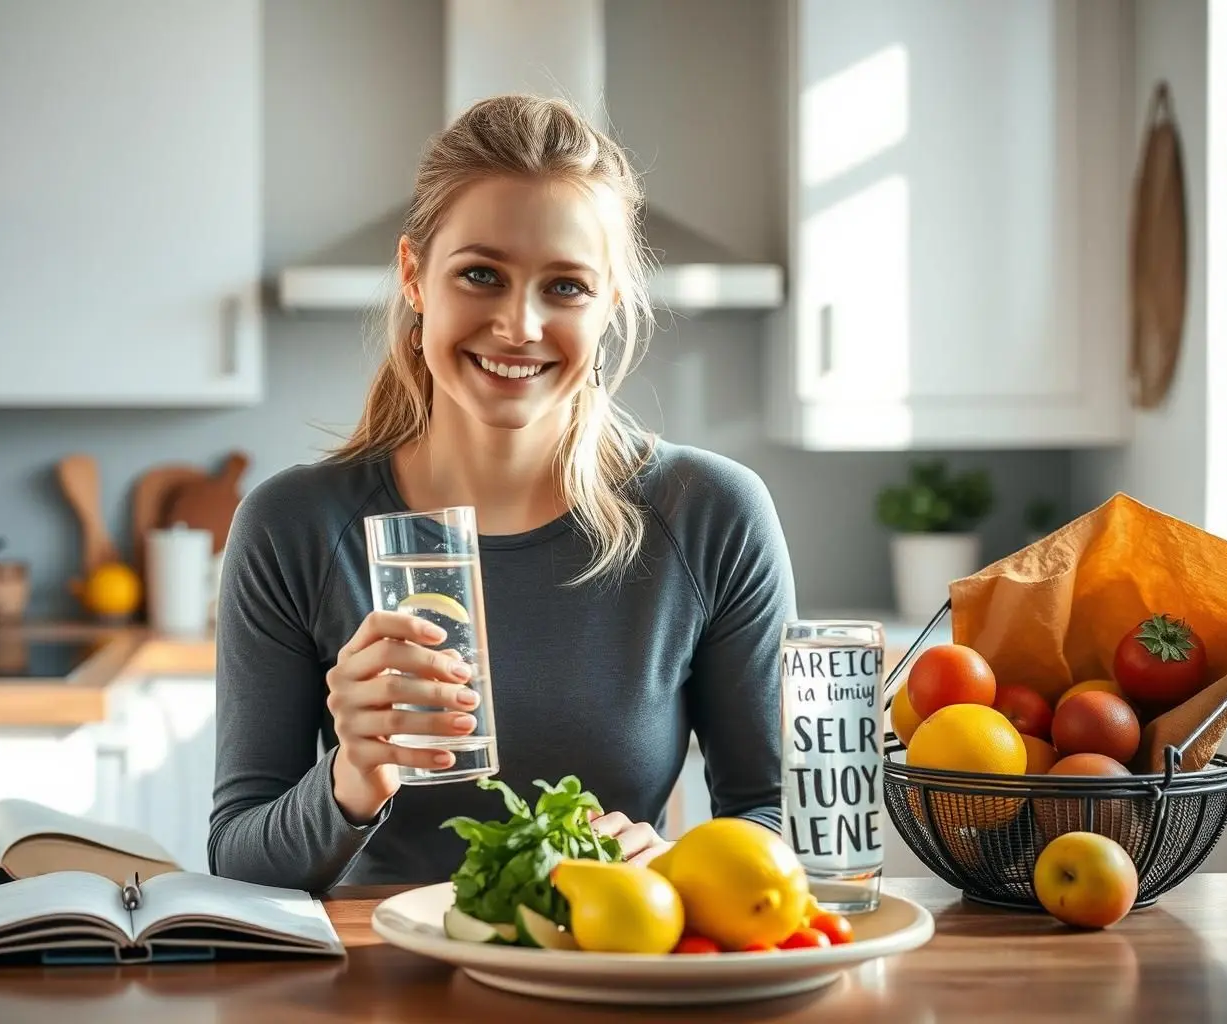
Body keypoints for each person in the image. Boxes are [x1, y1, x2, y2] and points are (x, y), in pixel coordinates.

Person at [209, 94, 796, 893]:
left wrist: (681, 868)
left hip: (612, 978)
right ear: (415, 277)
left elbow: (776, 814)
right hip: (381, 992)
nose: (518, 325)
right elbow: (239, 858)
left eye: (566, 287)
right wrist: (351, 778)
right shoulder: (293, 526)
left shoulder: (711, 516)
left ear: (611, 305)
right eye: (481, 275)